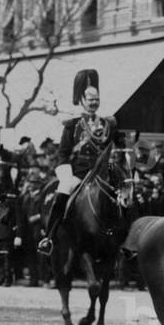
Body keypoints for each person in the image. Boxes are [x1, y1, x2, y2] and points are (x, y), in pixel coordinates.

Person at [37, 69, 125, 255]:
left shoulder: (109, 124)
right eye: (90, 99)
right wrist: (66, 174)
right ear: (82, 100)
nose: (94, 103)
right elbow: (63, 153)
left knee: (128, 194)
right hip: (79, 172)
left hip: (104, 172)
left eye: (96, 99)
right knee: (63, 192)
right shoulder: (72, 125)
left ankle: (129, 240)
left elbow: (121, 145)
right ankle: (50, 237)